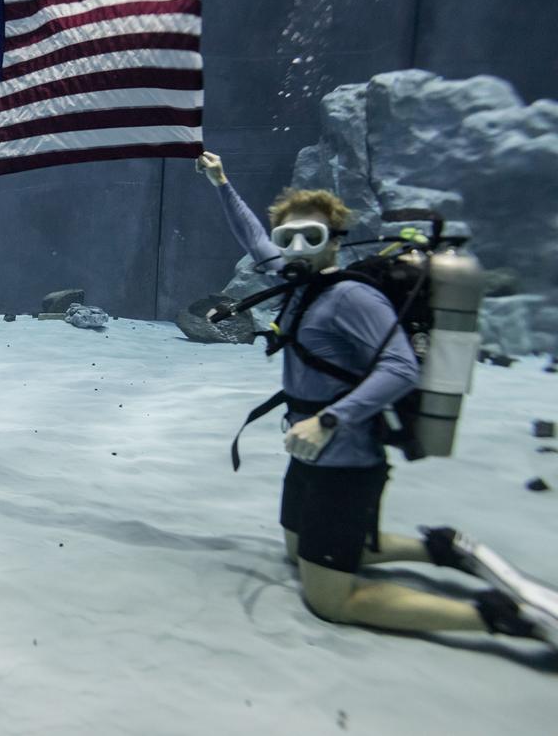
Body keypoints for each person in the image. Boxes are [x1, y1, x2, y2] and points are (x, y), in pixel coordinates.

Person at [198, 150, 547, 644]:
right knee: (298, 552)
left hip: (345, 459)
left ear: (336, 241)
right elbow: (253, 238)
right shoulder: (298, 282)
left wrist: (329, 421)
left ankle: (501, 617)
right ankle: (443, 549)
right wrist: (222, 182)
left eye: (311, 237)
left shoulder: (351, 297)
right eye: (288, 237)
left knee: (330, 601)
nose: (296, 248)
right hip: (310, 454)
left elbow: (401, 366)